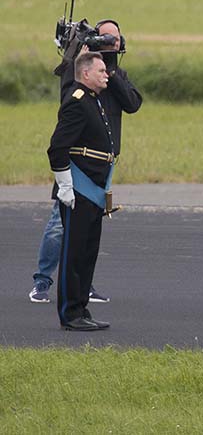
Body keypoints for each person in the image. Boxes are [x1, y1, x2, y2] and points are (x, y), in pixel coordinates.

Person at [31, 19, 141, 305]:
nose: (110, 44)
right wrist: (89, 65)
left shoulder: (114, 73)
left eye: (114, 39)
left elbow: (133, 103)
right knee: (62, 226)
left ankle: (82, 288)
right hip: (78, 168)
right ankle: (43, 282)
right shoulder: (78, 70)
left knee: (88, 234)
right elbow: (69, 103)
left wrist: (110, 72)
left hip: (102, 167)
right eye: (104, 38)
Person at [46, 52, 116, 331]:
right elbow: (58, 147)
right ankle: (69, 313)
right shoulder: (76, 102)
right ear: (85, 74)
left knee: (87, 252)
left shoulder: (92, 99)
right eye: (101, 70)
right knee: (74, 253)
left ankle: (80, 308)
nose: (106, 74)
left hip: (93, 188)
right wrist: (64, 185)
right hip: (78, 189)